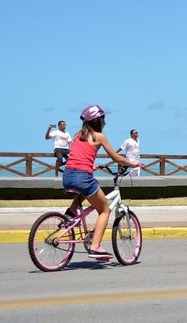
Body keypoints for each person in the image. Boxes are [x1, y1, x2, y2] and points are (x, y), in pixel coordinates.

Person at [62, 105, 140, 260]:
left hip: (68, 176)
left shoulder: (78, 135)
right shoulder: (99, 136)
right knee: (105, 209)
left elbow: (77, 155)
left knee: (92, 183)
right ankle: (95, 246)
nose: (105, 122)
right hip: (83, 177)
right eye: (103, 119)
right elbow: (116, 158)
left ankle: (70, 214)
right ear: (97, 121)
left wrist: (92, 165)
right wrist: (134, 163)